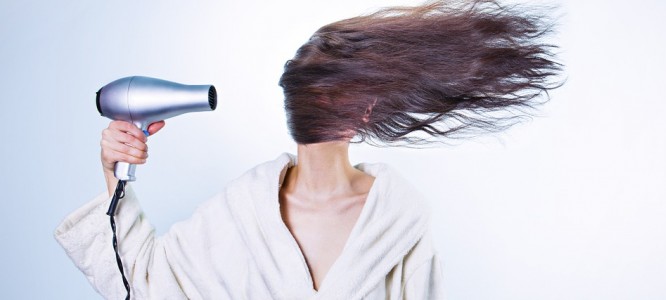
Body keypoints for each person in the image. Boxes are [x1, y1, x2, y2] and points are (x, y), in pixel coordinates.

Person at [54, 0, 562, 299]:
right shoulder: (243, 211)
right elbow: (144, 282)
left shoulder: (398, 219)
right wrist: (112, 173)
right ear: (366, 111)